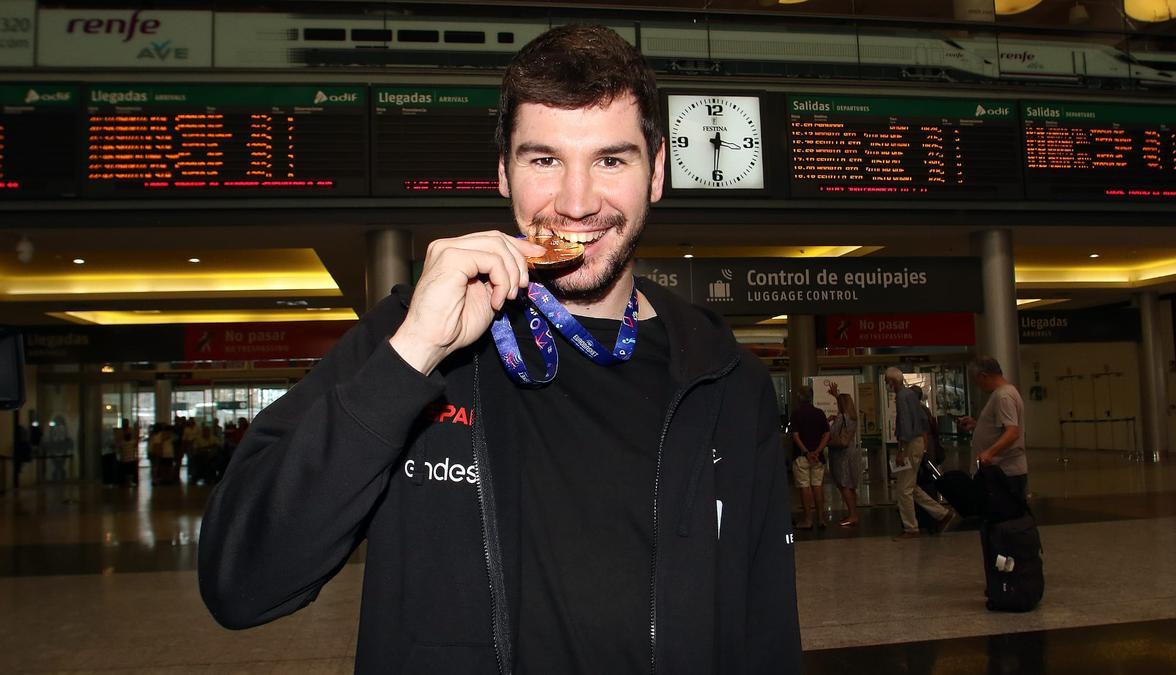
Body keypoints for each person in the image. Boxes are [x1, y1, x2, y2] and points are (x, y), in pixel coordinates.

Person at [199, 24, 801, 674]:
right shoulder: (411, 334)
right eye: (544, 159)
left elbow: (764, 629)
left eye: (610, 159)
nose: (576, 202)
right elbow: (241, 582)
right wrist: (412, 354)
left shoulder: (724, 378)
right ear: (504, 174)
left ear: (655, 172)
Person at [886, 367, 954, 540]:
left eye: (887, 381)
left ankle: (911, 528)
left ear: (892, 382)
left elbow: (905, 426)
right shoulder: (911, 396)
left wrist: (901, 451)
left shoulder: (901, 397)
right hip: (917, 442)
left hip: (909, 444)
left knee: (904, 490)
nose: (887, 385)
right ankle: (941, 513)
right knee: (910, 486)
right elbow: (923, 421)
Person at [958, 356, 1028, 503]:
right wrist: (978, 425)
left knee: (1003, 517)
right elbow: (1001, 428)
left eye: (977, 382)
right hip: (1000, 471)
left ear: (983, 376)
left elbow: (1012, 432)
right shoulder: (1004, 393)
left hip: (1004, 472)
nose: (978, 387)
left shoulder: (1003, 396)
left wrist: (989, 452)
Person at [789, 385, 829, 530]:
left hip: (802, 457)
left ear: (799, 398)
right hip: (818, 457)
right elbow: (826, 434)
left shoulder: (796, 414)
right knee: (818, 486)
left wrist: (806, 452)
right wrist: (817, 451)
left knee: (805, 487)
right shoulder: (819, 413)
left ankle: (808, 519)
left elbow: (795, 436)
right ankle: (821, 518)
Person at [827, 390, 861, 527]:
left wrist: (829, 422)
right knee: (850, 484)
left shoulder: (841, 417)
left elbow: (832, 433)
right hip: (850, 451)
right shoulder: (852, 417)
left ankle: (852, 515)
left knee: (844, 484)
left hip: (841, 454)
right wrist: (836, 395)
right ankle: (853, 512)